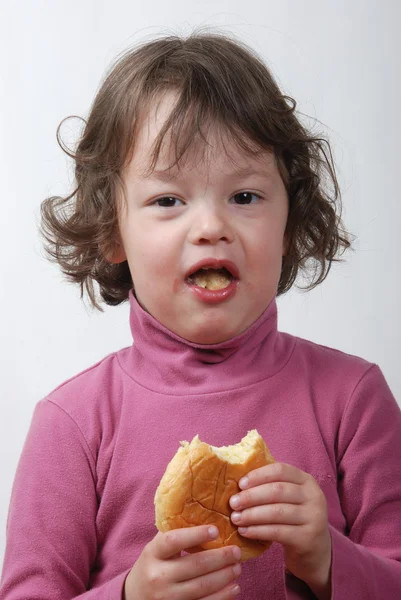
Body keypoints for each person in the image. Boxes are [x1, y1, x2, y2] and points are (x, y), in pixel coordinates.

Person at [1, 30, 400, 600]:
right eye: (168, 200)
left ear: (289, 223)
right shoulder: (73, 424)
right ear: (113, 230)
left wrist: (330, 559)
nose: (211, 226)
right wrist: (129, 596)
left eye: (245, 196)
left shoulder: (353, 399)